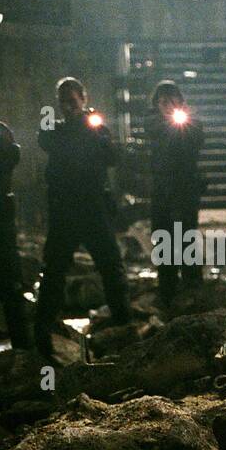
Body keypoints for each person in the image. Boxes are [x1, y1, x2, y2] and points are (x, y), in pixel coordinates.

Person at [34, 77, 131, 358]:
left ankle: (123, 322)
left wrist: (95, 129)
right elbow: (46, 139)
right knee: (54, 269)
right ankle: (44, 326)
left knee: (110, 265)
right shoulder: (59, 131)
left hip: (91, 208)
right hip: (67, 210)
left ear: (83, 99)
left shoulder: (95, 130)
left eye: (72, 101)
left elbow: (112, 157)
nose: (68, 107)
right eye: (64, 102)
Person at [145, 80, 205, 307]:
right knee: (163, 237)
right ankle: (167, 288)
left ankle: (192, 286)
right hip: (162, 191)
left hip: (185, 190)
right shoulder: (154, 124)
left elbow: (196, 140)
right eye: (162, 102)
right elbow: (153, 128)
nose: (167, 106)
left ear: (180, 102)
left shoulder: (191, 124)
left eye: (171, 101)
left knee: (186, 237)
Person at [0, 121, 30, 348]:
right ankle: (22, 345)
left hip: (1, 221)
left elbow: (11, 156)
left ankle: (23, 346)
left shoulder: (1, 134)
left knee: (10, 285)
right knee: (11, 285)